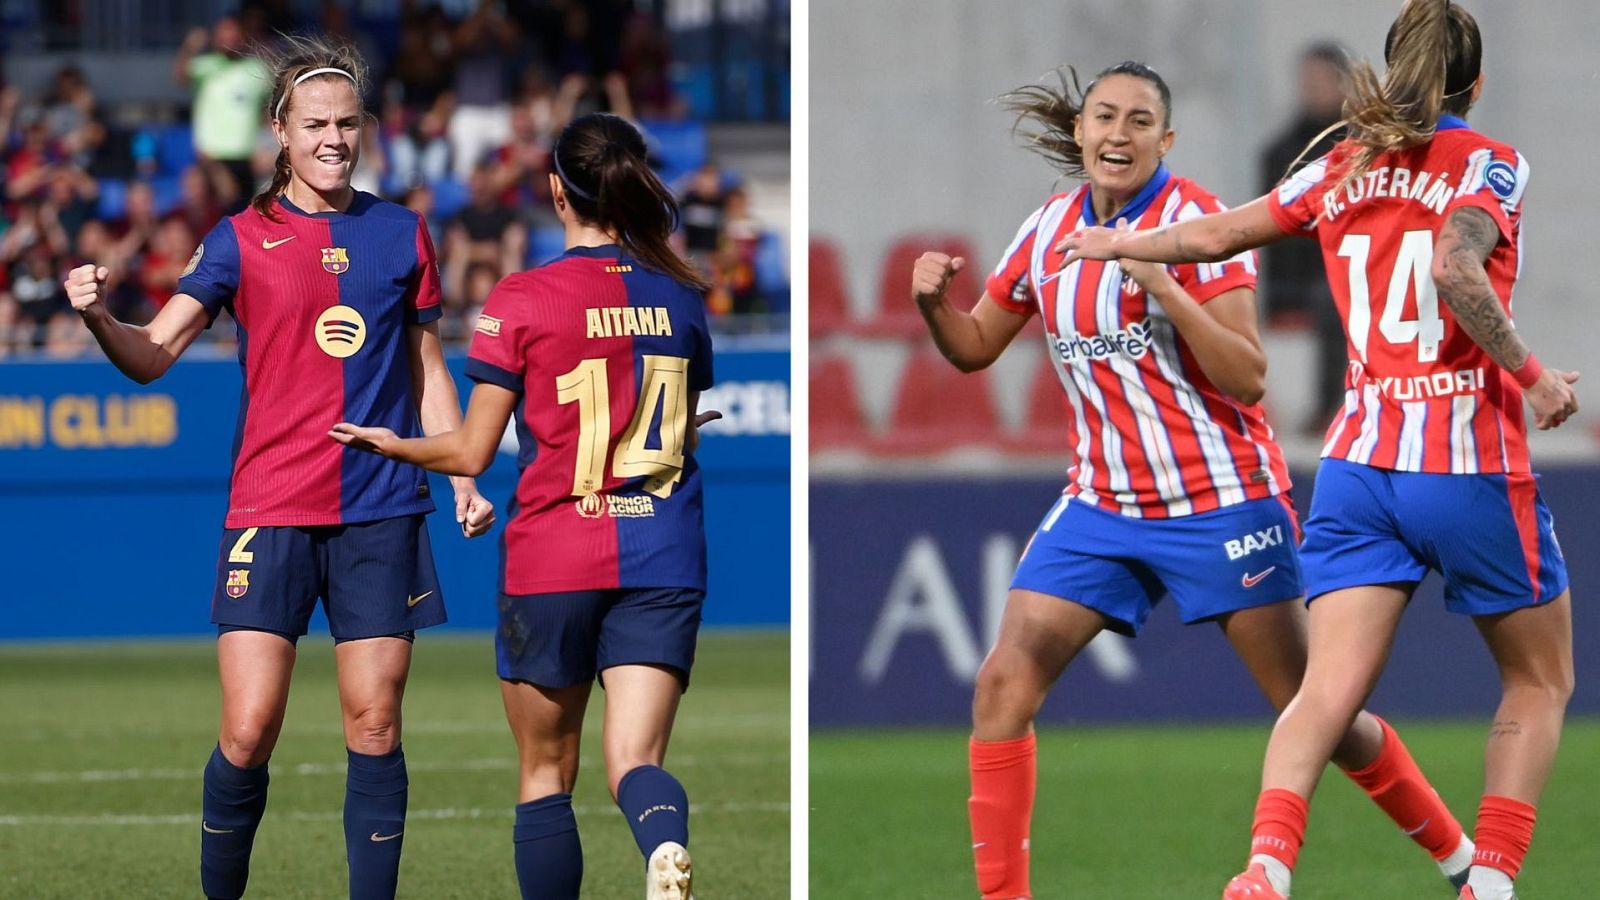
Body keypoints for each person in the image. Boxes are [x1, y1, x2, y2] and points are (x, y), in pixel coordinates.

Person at [911, 62, 1473, 900]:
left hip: (1222, 501)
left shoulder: (1197, 221)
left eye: (1141, 121)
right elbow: (976, 346)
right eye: (1105, 116)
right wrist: (932, 308)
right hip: (1102, 503)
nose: (1119, 133)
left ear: (1164, 141)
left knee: (1316, 711)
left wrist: (1166, 287)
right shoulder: (1045, 230)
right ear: (1080, 132)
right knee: (1002, 682)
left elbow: (1248, 376)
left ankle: (1462, 863)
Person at [1059, 5, 1578, 899]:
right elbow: (1458, 270)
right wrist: (1532, 377)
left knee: (1325, 693)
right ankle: (1489, 883)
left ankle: (1267, 864)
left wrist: (1119, 242)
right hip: (1466, 460)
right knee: (1538, 680)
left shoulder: (1342, 164)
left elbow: (1214, 234)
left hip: (1357, 465)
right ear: (1476, 84)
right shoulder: (1490, 162)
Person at [63, 36, 494, 900]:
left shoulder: (402, 231)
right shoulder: (238, 238)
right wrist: (100, 318)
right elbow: (152, 356)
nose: (334, 139)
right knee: (249, 727)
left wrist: (461, 476)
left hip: (381, 508)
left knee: (375, 723)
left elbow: (427, 369)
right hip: (271, 506)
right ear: (280, 134)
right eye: (315, 125)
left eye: (347, 123)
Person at [330, 112, 716, 900]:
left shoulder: (524, 298)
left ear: (555, 192)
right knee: (636, 763)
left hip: (557, 553)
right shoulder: (681, 295)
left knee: (546, 772)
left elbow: (470, 452)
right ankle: (664, 843)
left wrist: (393, 443)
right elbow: (666, 412)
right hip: (664, 550)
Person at [1259, 42, 1352, 431]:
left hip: (1349, 265)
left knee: (1333, 293)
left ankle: (1336, 405)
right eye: (1306, 80)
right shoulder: (1279, 152)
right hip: (1297, 278)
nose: (1311, 88)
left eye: (1320, 79)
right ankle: (1326, 408)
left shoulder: (1365, 148)